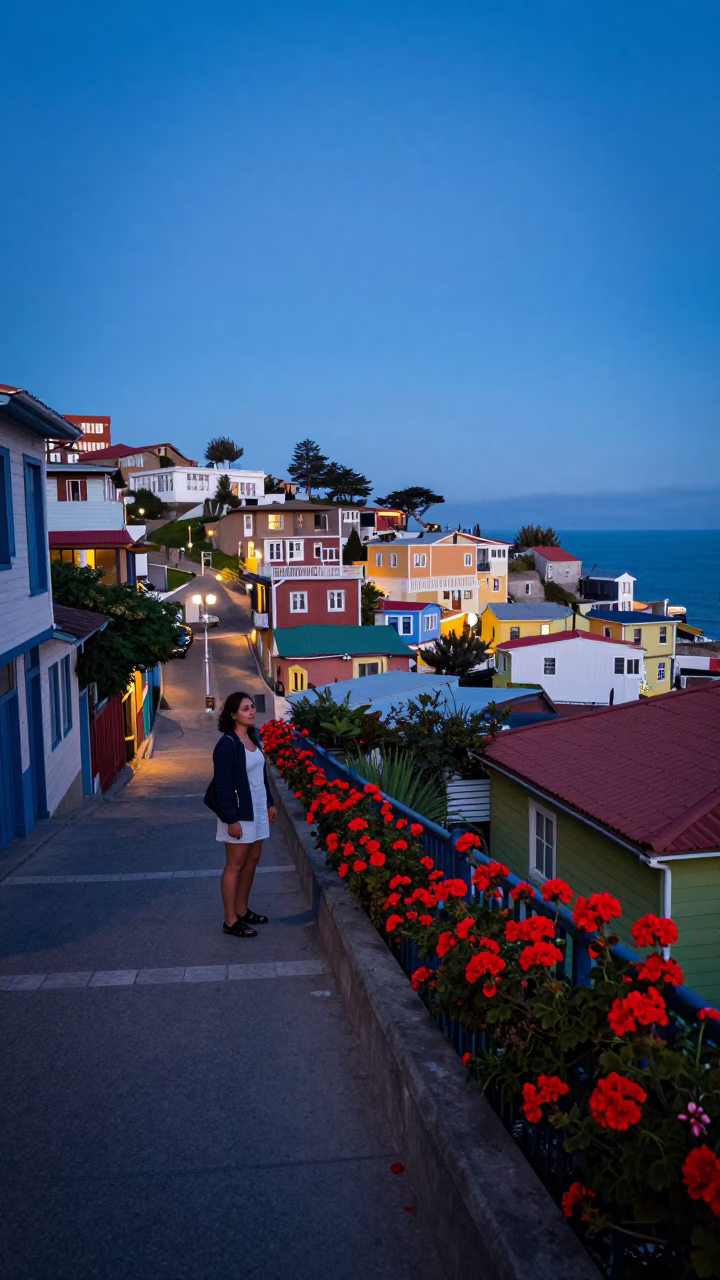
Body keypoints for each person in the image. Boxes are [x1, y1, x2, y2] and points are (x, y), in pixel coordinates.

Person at [212, 691, 276, 938]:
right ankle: (230, 920)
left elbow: (260, 775)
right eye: (245, 708)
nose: (251, 711)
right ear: (233, 714)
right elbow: (222, 786)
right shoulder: (227, 745)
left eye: (252, 707)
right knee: (235, 864)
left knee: (252, 860)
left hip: (258, 809)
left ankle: (242, 910)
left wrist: (270, 802)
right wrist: (231, 819)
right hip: (239, 813)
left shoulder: (253, 738)